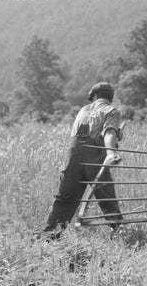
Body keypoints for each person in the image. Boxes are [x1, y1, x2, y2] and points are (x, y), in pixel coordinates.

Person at [43, 82, 124, 235]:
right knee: (106, 195)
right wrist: (111, 151)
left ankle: (50, 235)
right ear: (110, 98)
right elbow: (108, 133)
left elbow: (85, 134)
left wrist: (113, 137)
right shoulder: (111, 111)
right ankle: (118, 230)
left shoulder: (83, 111)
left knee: (65, 197)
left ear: (93, 96)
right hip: (94, 157)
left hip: (73, 158)